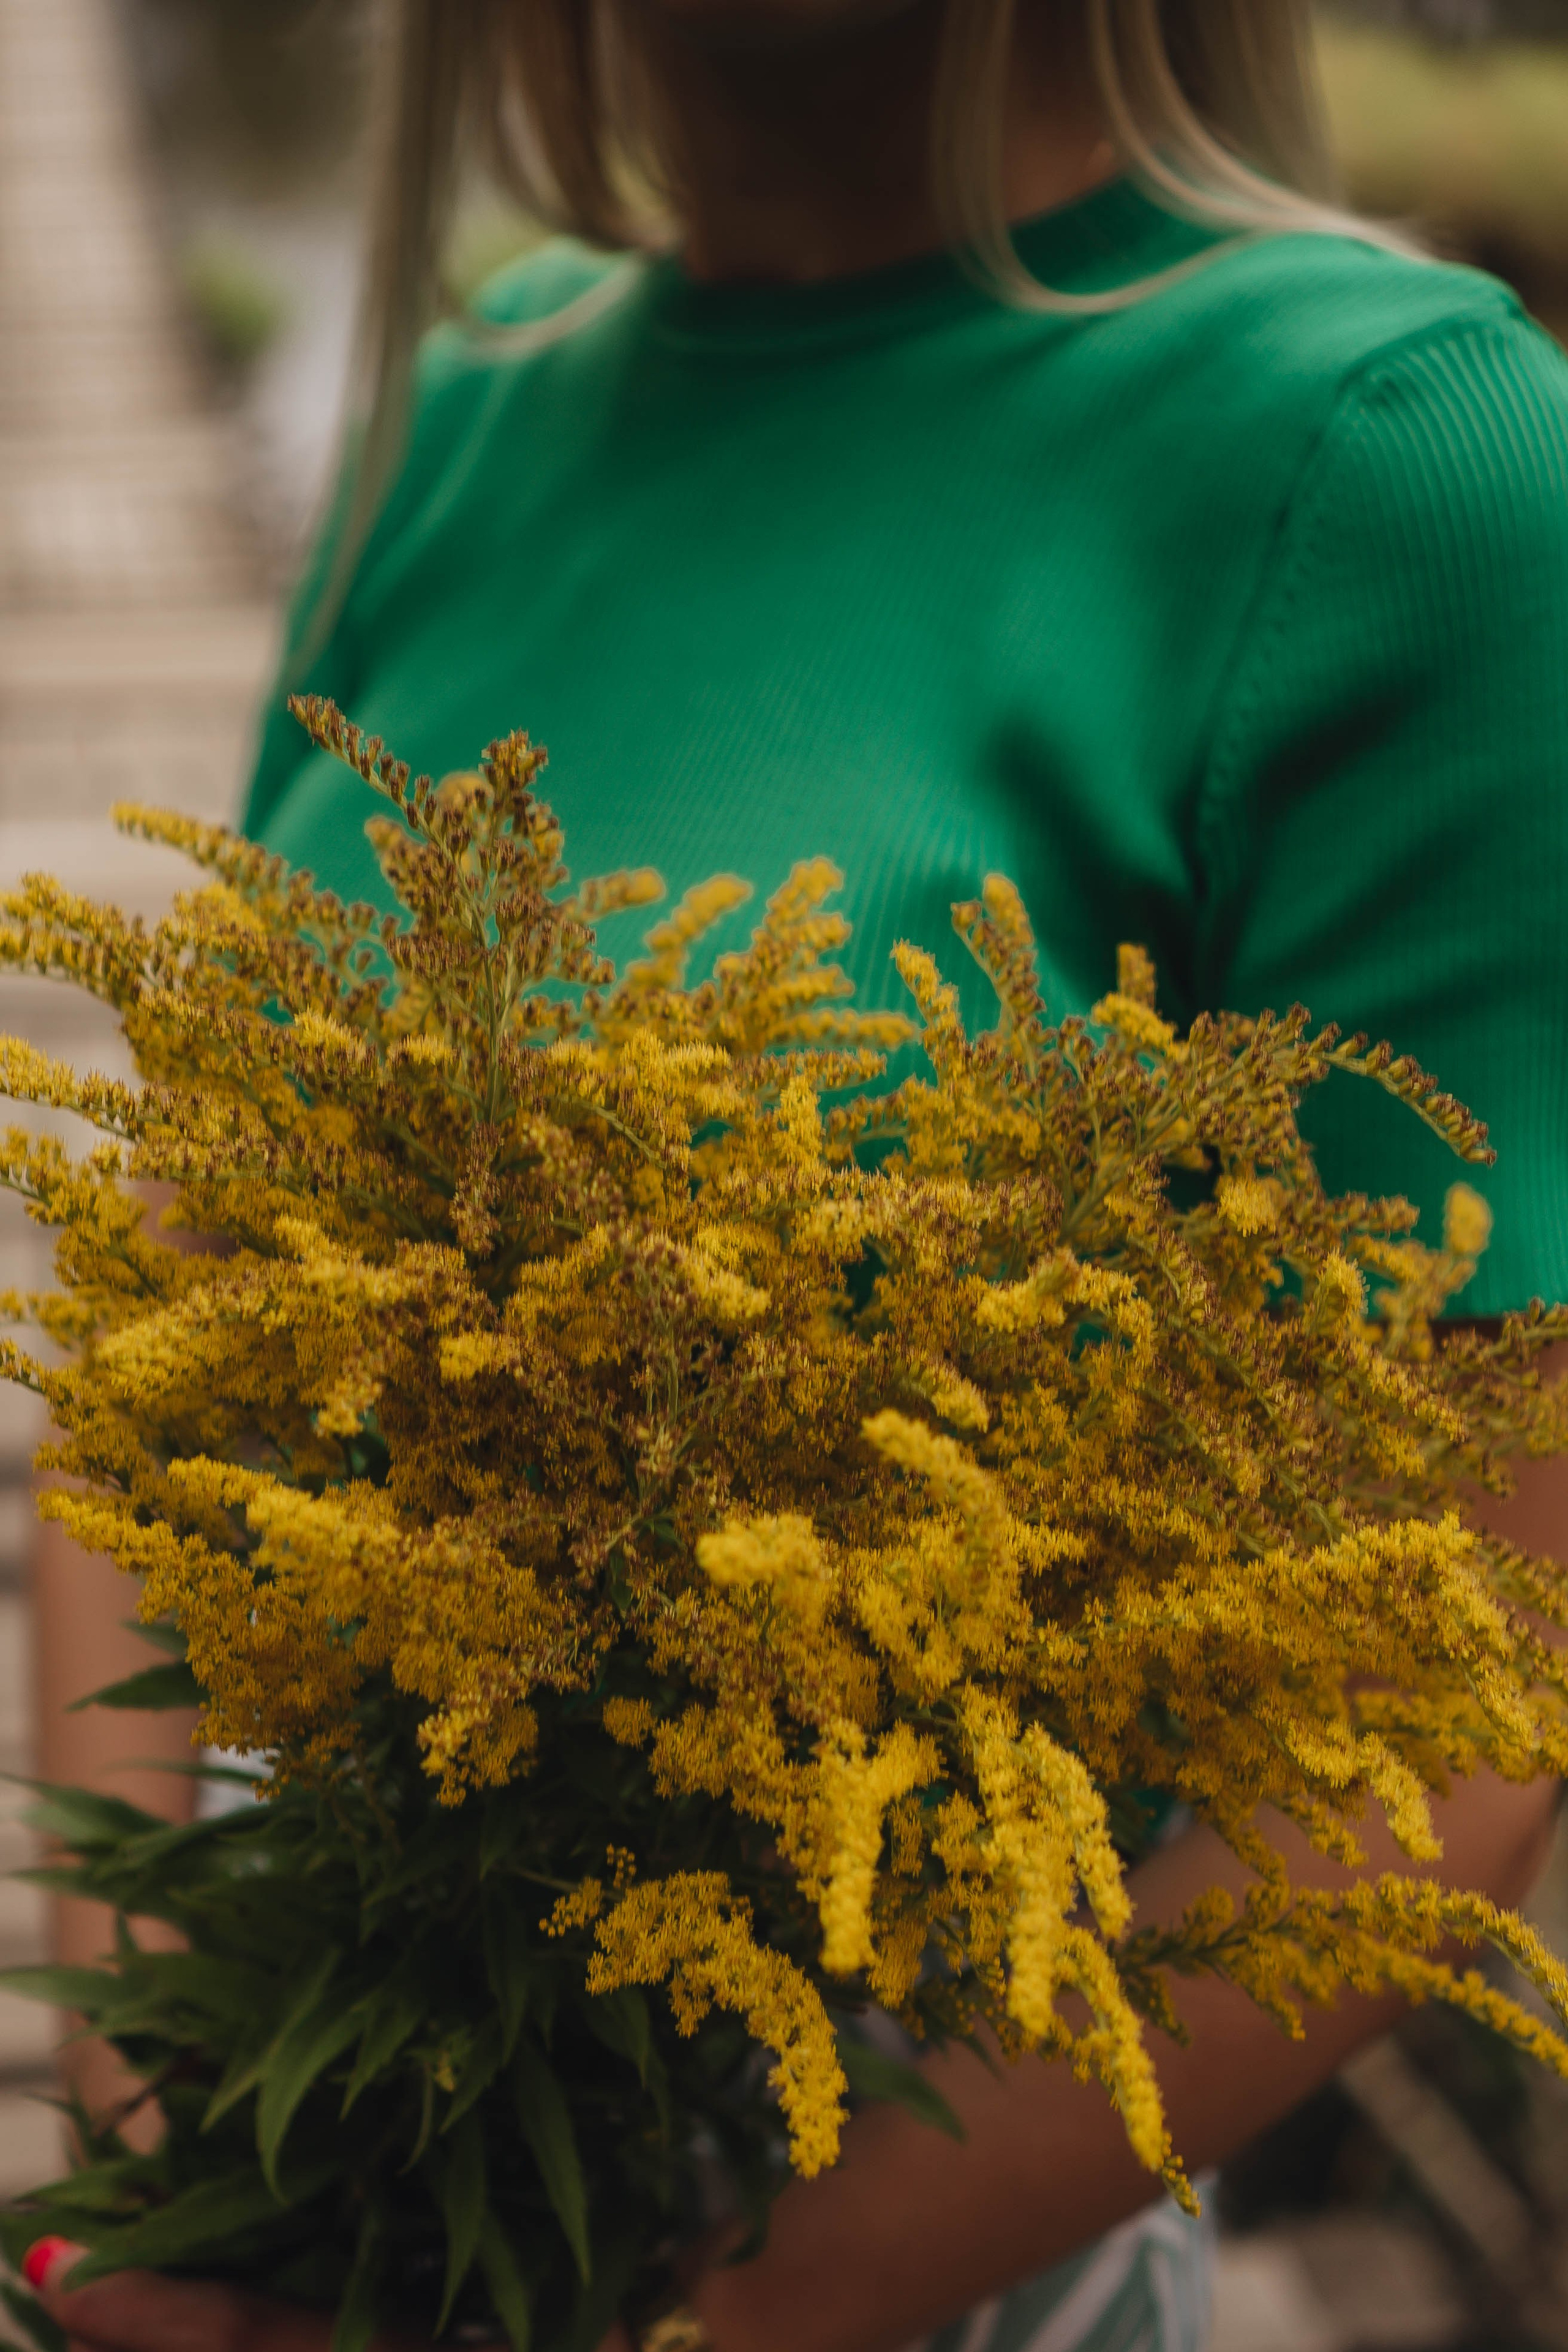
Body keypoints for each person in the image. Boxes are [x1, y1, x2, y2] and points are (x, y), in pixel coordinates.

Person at [29, 1, 1568, 2348]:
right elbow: (167, 1325)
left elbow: (1460, 1671)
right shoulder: (479, 400)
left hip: (882, 2245)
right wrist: (166, 2137)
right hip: (317, 2187)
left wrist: (720, 2309)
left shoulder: (1410, 467)